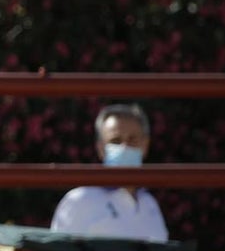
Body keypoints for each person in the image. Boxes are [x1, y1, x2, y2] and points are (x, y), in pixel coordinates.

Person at [50, 103, 169, 241]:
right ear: (101, 148)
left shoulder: (150, 204)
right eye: (116, 141)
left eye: (132, 139)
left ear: (145, 145)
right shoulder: (79, 201)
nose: (125, 147)